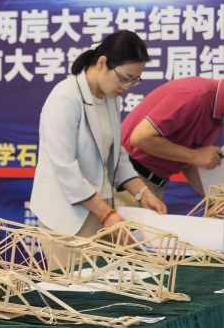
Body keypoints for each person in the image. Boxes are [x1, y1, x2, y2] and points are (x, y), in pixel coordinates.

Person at [30, 31, 167, 268]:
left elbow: (117, 154)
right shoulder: (65, 97)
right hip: (68, 213)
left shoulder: (110, 97)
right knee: (72, 286)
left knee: (101, 285)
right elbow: (64, 168)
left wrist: (143, 192)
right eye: (125, 78)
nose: (126, 87)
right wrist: (106, 214)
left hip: (100, 206)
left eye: (134, 81)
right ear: (102, 63)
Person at [116, 77, 223, 207]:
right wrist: (195, 155)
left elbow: (188, 161)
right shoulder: (194, 95)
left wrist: (217, 202)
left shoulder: (218, 114)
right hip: (128, 180)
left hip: (153, 186)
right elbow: (140, 138)